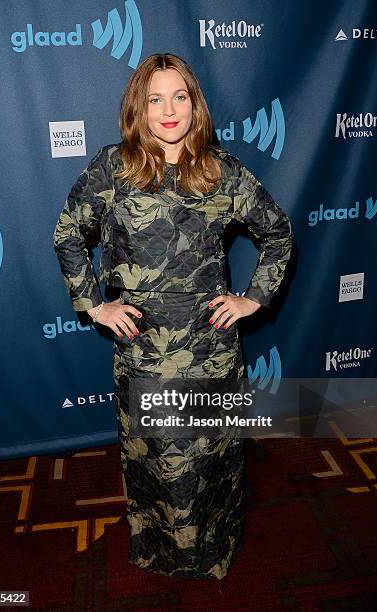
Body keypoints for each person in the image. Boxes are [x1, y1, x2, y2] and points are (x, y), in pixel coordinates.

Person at [53, 53, 294, 589]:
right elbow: (68, 234)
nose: (168, 110)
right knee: (155, 460)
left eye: (179, 96)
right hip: (141, 347)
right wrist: (95, 303)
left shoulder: (221, 169)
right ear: (139, 106)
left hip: (211, 344)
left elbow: (278, 233)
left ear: (194, 104)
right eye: (155, 98)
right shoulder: (110, 169)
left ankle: (215, 550)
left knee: (213, 459)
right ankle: (159, 551)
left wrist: (253, 298)